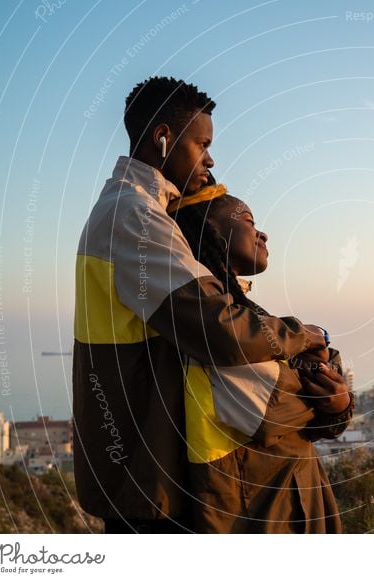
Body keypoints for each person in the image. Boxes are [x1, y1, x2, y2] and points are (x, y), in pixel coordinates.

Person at [73, 76, 329, 533]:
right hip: (149, 478)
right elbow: (218, 328)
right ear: (163, 137)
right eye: (201, 144)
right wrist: (302, 335)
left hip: (148, 473)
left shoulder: (132, 211)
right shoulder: (133, 216)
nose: (210, 159)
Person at [170, 185, 354, 533]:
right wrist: (332, 392)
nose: (263, 233)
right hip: (257, 511)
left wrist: (338, 401)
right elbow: (276, 413)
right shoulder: (216, 326)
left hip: (293, 498)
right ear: (212, 233)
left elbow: (318, 409)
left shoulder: (243, 315)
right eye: (249, 222)